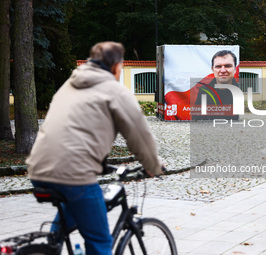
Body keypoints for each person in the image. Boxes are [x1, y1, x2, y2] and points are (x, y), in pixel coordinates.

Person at [25, 41, 163, 254]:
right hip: (74, 174)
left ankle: (51, 246)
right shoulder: (115, 91)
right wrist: (153, 166)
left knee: (64, 221)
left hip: (38, 169)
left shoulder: (69, 85)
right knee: (100, 241)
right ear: (117, 66)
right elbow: (139, 136)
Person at [192, 50, 239, 120]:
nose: (223, 70)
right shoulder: (204, 91)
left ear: (235, 68)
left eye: (227, 66)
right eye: (218, 66)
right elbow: (196, 119)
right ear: (212, 69)